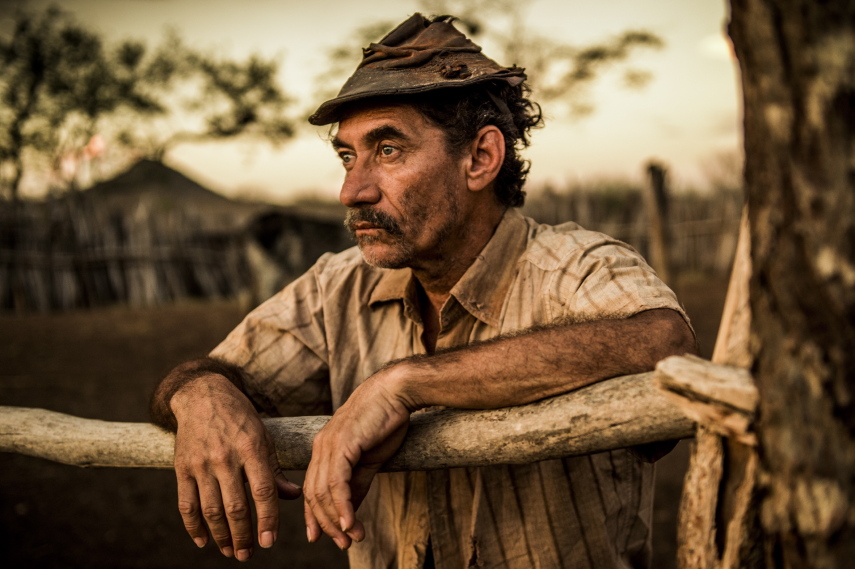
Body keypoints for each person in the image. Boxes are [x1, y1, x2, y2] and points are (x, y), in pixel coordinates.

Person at [150, 13, 697, 569]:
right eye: (347, 156)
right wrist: (199, 395)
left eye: (387, 150)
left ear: (480, 158)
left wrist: (405, 383)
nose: (351, 190)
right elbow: (210, 372)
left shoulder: (575, 266)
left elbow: (664, 344)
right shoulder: (336, 286)